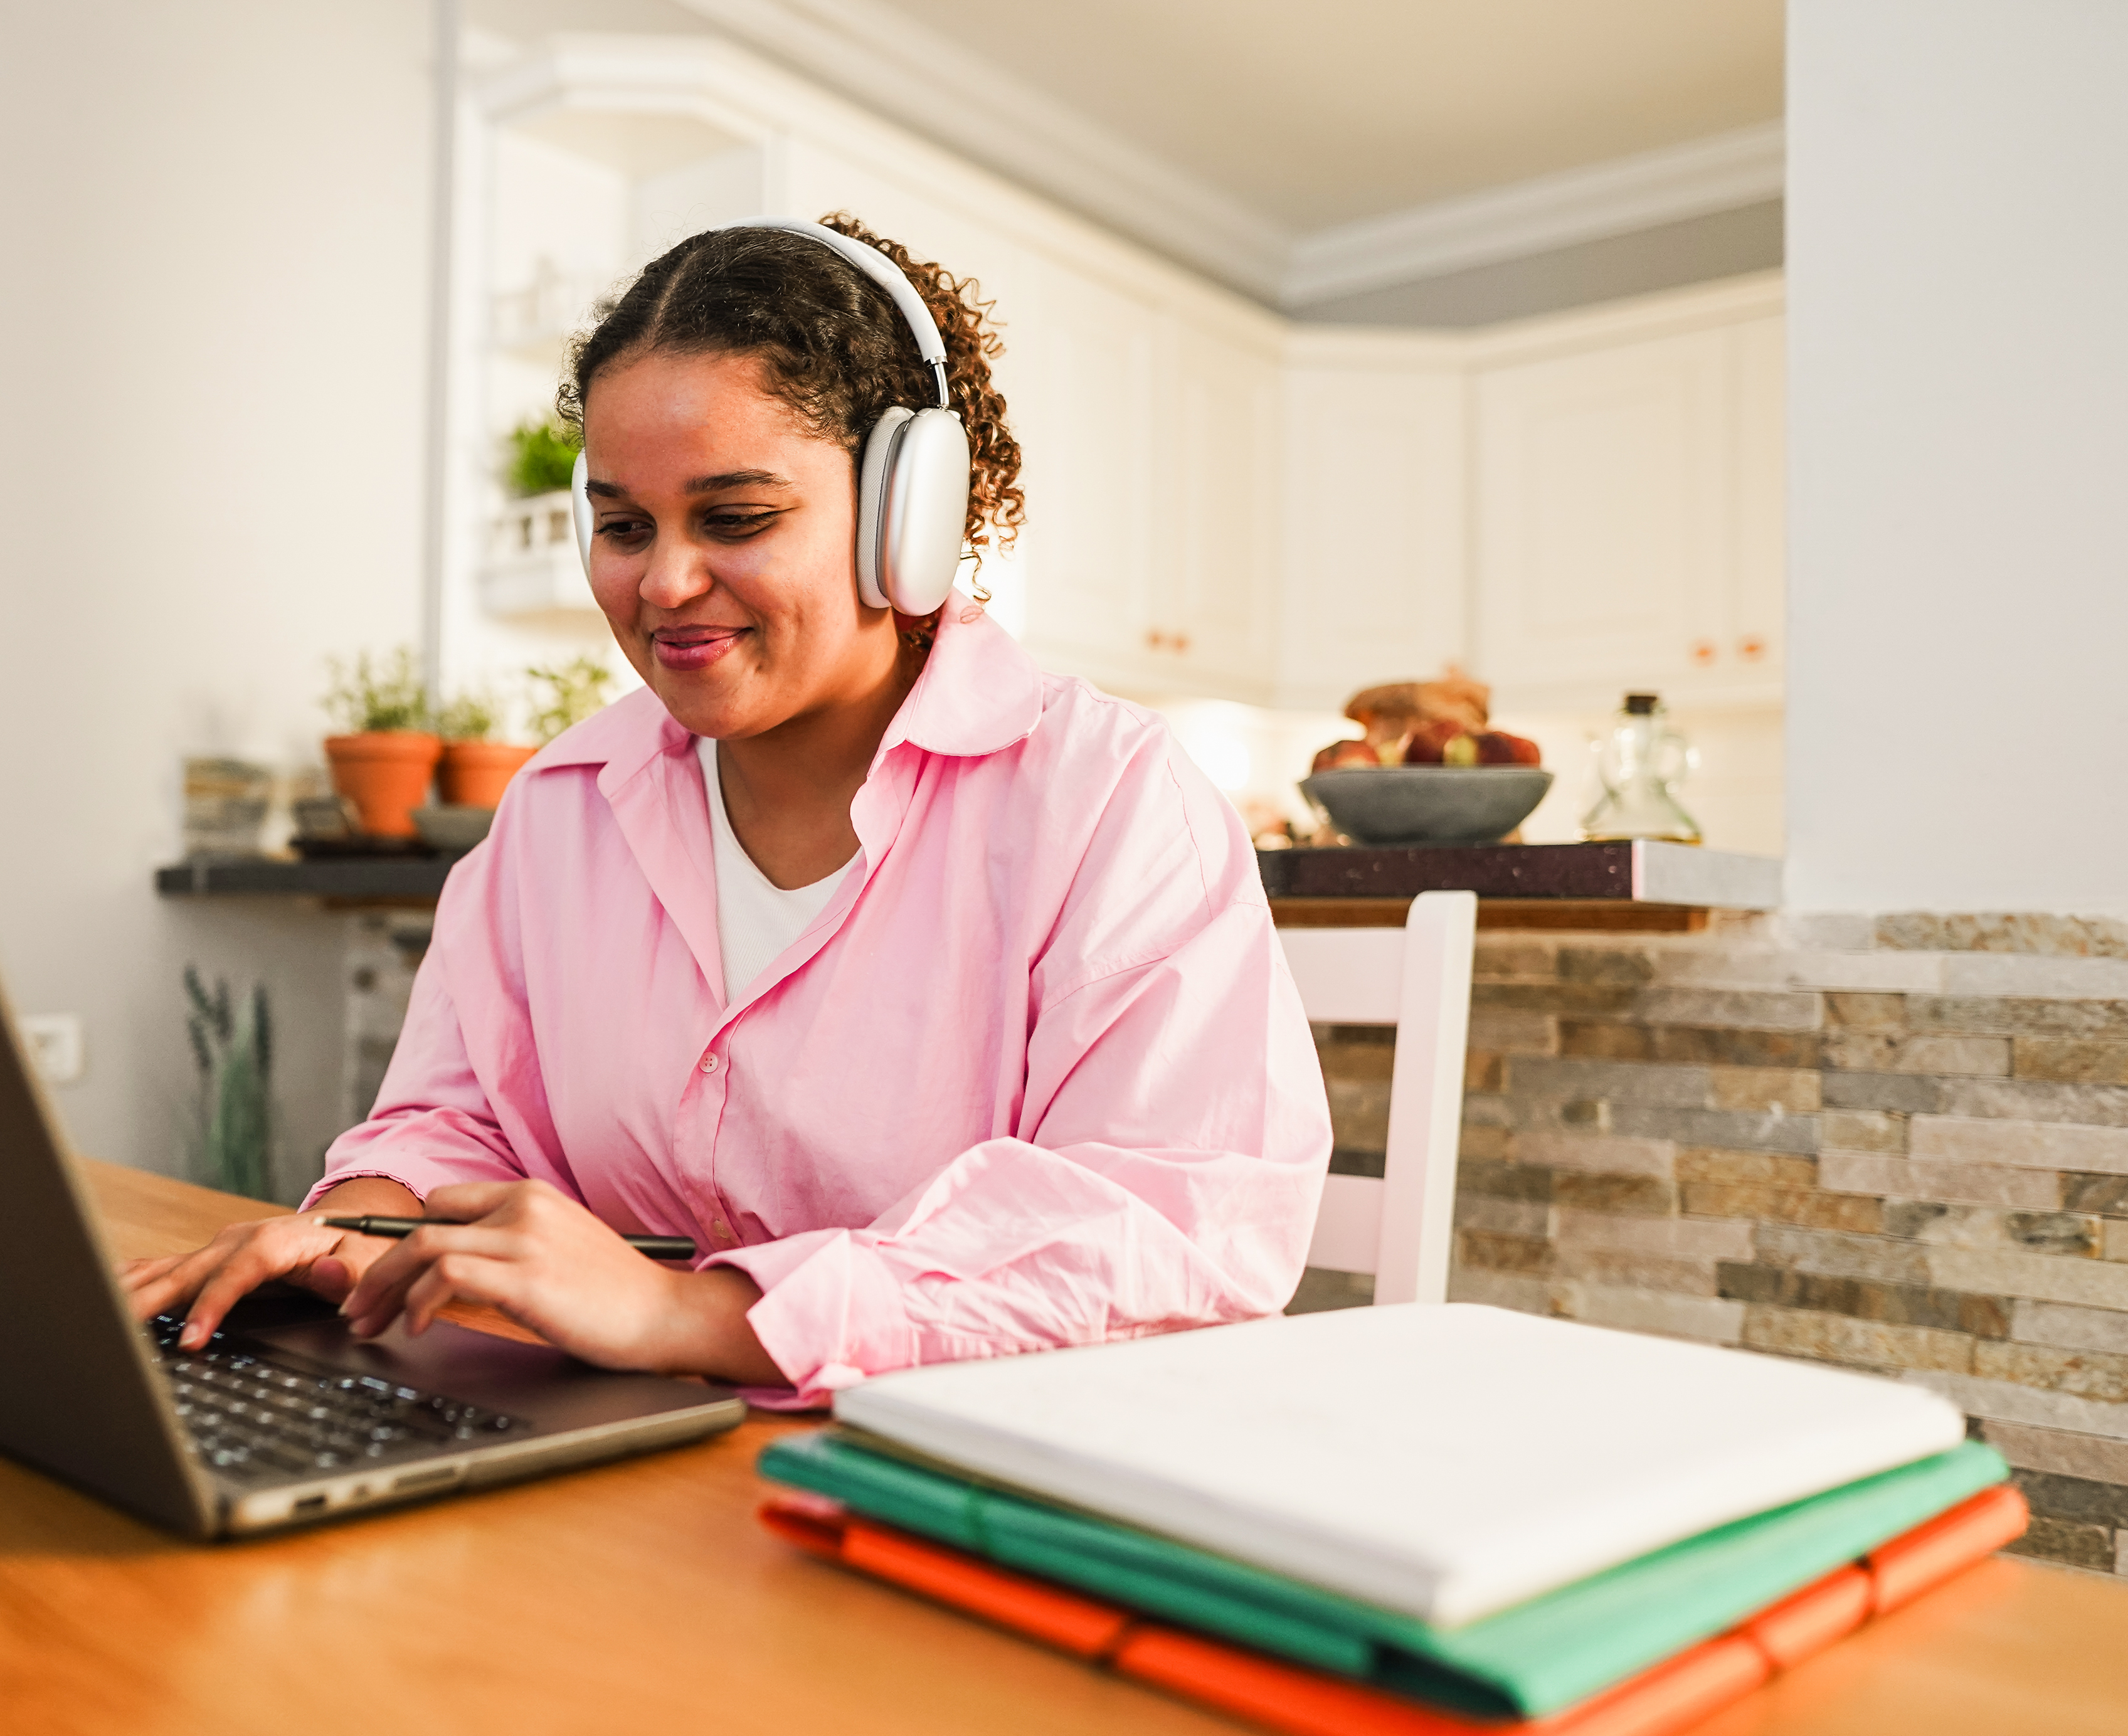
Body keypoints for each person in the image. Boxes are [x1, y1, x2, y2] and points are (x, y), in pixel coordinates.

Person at [124, 214, 1331, 1405]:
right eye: (622, 525)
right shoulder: (560, 812)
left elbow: (1177, 1227)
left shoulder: (1108, 799)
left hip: (949, 1485)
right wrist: (349, 1234)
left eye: (737, 518)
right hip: (627, 1467)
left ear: (905, 519)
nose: (663, 583)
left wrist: (696, 1314)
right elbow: (458, 1122)